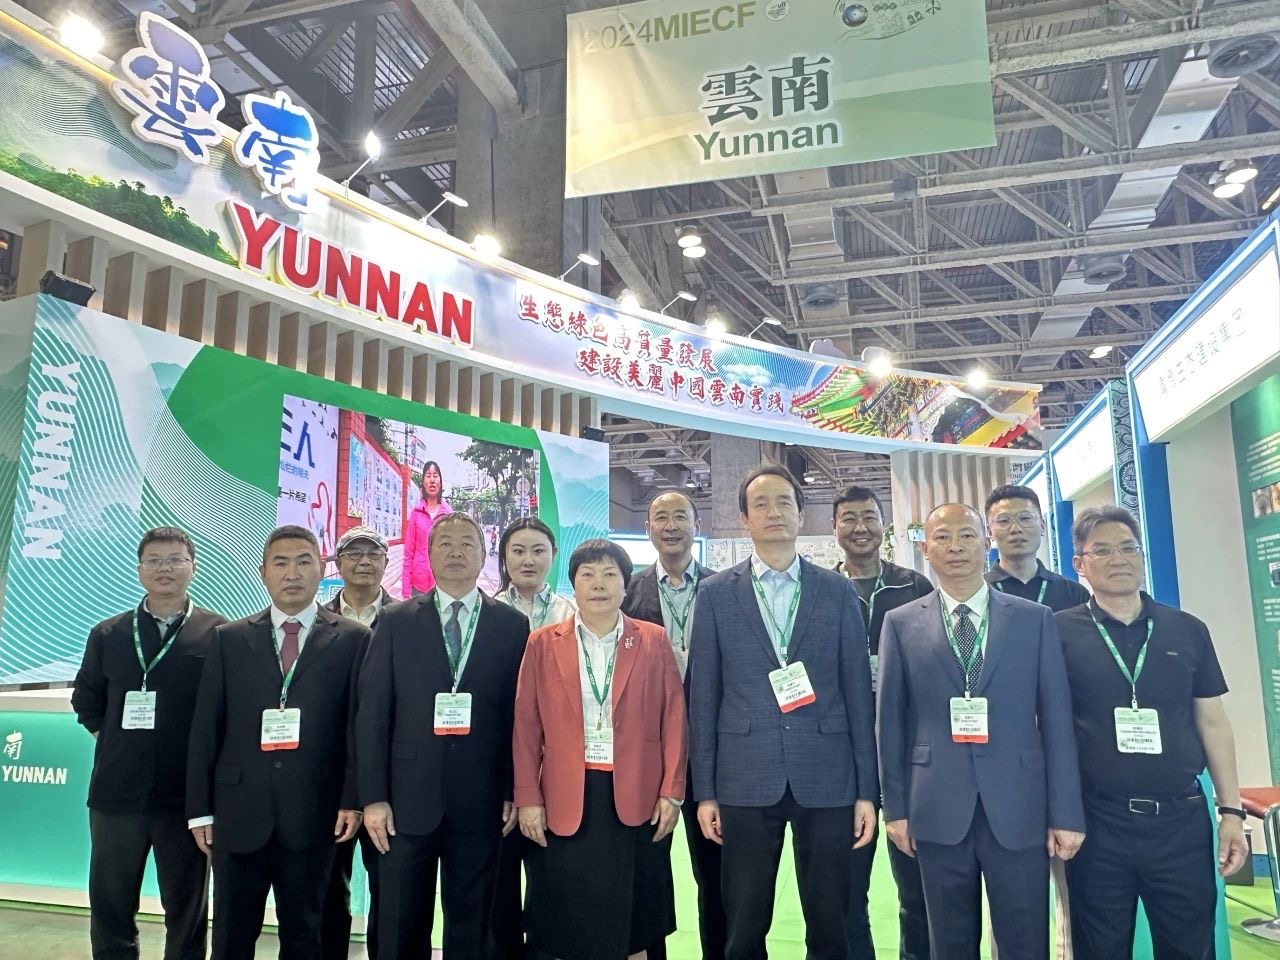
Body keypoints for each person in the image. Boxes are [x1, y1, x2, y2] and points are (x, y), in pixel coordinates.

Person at [877, 503, 1085, 960]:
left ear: (985, 543)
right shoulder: (901, 623)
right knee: (949, 944)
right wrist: (895, 808)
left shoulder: (1033, 619)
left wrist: (1066, 812)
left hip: (1019, 805)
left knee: (1024, 941)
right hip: (935, 807)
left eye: (967, 535)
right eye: (942, 537)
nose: (955, 547)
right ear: (925, 548)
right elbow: (890, 724)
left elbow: (1056, 721)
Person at [689, 464, 878, 960]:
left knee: (832, 921)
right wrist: (705, 791)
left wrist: (867, 790)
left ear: (801, 514)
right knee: (744, 924)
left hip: (828, 774)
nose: (773, 512)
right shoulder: (715, 594)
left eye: (784, 502)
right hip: (744, 776)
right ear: (744, 519)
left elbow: (858, 694)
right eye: (761, 504)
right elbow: (704, 698)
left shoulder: (836, 590)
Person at [1056, 506, 1248, 960]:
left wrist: (1231, 812)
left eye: (1129, 548)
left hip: (1180, 821)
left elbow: (1213, 722)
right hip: (1098, 822)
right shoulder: (1058, 632)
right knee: (1099, 947)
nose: (1118, 559)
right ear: (1079, 563)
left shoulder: (1187, 629)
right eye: (1102, 550)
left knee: (1189, 946)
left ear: (1142, 556)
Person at [186, 525, 368, 960]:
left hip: (315, 813)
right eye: (280, 563)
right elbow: (206, 727)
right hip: (238, 813)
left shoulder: (353, 639)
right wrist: (199, 810)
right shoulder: (229, 638)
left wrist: (352, 799)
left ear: (321, 569)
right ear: (263, 573)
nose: (292, 573)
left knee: (305, 936)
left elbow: (357, 729)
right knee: (231, 936)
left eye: (304, 562)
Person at [357, 513, 530, 960]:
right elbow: (372, 714)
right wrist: (372, 797)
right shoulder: (395, 620)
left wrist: (512, 789)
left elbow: (518, 718)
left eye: (467, 543)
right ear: (428, 554)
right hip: (404, 802)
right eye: (445, 543)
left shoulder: (511, 625)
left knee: (474, 926)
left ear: (484, 555)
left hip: (482, 801)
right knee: (399, 921)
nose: (456, 551)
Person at [514, 538, 687, 960]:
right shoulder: (542, 643)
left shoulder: (652, 639)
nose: (599, 584)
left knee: (635, 920)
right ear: (572, 584)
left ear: (626, 585)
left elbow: (673, 719)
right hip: (565, 797)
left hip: (636, 796)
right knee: (564, 917)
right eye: (588, 574)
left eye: (610, 575)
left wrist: (672, 791)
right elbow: (525, 727)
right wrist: (528, 798)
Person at [72, 527, 228, 960]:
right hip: (116, 793)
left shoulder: (219, 633)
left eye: (175, 559)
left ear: (193, 567)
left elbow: (226, 710)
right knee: (111, 902)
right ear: (140, 569)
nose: (165, 568)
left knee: (187, 906)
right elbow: (86, 701)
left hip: (185, 798)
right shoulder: (109, 633)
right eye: (154, 560)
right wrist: (120, 741)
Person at [830, 487, 935, 960]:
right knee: (847, 890)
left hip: (907, 755)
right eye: (849, 518)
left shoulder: (914, 587)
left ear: (883, 524)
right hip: (843, 758)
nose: (860, 527)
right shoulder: (823, 590)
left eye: (869, 517)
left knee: (917, 889)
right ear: (834, 527)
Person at [621, 491, 722, 960]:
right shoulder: (628, 593)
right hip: (649, 754)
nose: (671, 525)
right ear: (648, 529)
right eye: (660, 517)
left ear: (697, 525)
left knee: (717, 875)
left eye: (681, 515)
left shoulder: (726, 589)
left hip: (714, 754)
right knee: (648, 872)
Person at [490, 516, 577, 959]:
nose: (528, 560)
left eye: (538, 550)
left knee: (553, 877)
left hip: (558, 766)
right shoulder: (485, 613)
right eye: (518, 550)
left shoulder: (573, 614)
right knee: (499, 881)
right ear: (504, 556)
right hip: (496, 762)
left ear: (554, 556)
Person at [322, 526, 394, 960]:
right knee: (330, 884)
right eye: (353, 553)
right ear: (338, 563)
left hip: (389, 779)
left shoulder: (408, 618)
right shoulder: (315, 620)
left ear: (386, 562)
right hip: (330, 777)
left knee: (391, 885)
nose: (364, 560)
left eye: (374, 553)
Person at [984, 485, 1090, 611]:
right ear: (990, 532)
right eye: (1003, 521)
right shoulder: (978, 593)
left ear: (1042, 525)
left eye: (1025, 518)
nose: (1015, 529)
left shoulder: (1074, 594)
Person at [401, 460, 453, 598]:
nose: (432, 480)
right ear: (423, 482)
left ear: (440, 482)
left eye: (435, 476)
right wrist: (406, 591)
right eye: (428, 475)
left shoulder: (448, 515)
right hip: (418, 587)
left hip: (442, 585)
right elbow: (408, 553)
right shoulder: (416, 513)